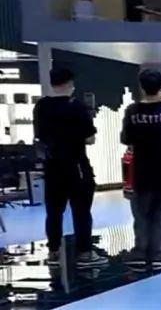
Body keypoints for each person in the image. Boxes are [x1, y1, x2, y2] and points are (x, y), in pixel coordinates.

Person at [32, 68, 106, 269]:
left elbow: (40, 136)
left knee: (54, 211)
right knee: (81, 210)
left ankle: (54, 252)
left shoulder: (41, 107)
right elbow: (89, 138)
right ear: (70, 84)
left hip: (53, 166)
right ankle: (85, 253)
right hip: (76, 165)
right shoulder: (77, 107)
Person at [119, 69, 161, 272]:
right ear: (160, 88)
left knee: (141, 214)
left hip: (142, 171)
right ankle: (159, 255)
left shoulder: (132, 112)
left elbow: (125, 138)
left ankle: (140, 253)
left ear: (142, 87)